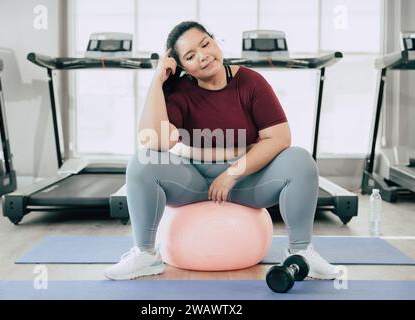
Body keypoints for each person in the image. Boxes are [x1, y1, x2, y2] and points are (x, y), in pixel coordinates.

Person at [104, 21, 341, 281]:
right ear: (182, 67)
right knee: (142, 161)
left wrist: (232, 173)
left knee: (300, 160)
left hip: (246, 181)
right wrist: (157, 79)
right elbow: (154, 141)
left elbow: (279, 138)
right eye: (190, 56)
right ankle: (145, 255)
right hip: (192, 180)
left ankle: (301, 253)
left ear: (215, 41)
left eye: (205, 44)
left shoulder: (251, 81)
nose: (203, 56)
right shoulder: (181, 91)